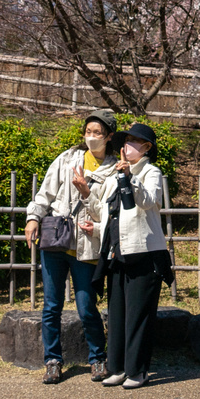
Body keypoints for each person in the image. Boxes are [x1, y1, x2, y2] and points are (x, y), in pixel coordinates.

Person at [26, 109, 123, 384]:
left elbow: (107, 212)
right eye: (88, 132)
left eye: (97, 133)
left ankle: (97, 358)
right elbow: (46, 192)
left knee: (86, 305)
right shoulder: (69, 158)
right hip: (56, 241)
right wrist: (33, 218)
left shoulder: (114, 169)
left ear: (109, 136)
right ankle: (52, 361)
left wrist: (86, 192)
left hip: (87, 244)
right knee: (52, 305)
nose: (91, 137)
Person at [93, 122, 168, 389]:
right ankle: (117, 367)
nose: (127, 145)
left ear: (146, 147)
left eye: (135, 141)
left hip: (144, 252)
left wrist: (129, 176)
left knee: (138, 314)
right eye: (126, 140)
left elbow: (147, 201)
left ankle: (138, 371)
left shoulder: (151, 172)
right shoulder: (114, 174)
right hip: (116, 251)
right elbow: (104, 210)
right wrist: (84, 192)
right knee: (117, 313)